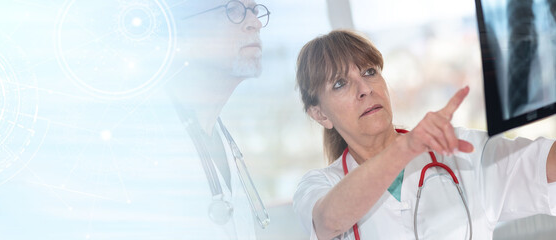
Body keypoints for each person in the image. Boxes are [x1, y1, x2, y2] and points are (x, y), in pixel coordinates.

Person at [292, 29, 556, 239]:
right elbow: (328, 221)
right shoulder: (318, 186)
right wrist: (406, 147)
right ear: (320, 115)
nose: (364, 89)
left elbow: (544, 166)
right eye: (340, 83)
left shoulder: (460, 150)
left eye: (369, 72)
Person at [153, 0, 270, 239]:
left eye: (255, 10)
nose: (256, 23)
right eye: (234, 10)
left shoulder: (220, 136)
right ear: (181, 32)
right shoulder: (147, 138)